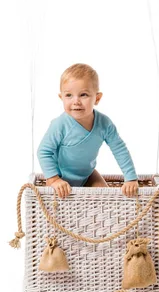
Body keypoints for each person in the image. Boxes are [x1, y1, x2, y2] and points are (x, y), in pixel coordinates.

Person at [37, 63, 139, 198]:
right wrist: (54, 179)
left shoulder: (104, 124)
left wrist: (131, 178)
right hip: (60, 177)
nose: (76, 101)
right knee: (55, 201)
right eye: (69, 95)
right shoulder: (59, 125)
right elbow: (43, 152)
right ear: (61, 97)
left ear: (97, 98)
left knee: (105, 196)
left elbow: (119, 149)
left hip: (87, 175)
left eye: (83, 95)